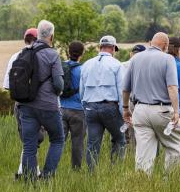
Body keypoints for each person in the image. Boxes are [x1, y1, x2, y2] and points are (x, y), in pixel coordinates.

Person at [122, 32, 180, 173]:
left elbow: (125, 88)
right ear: (165, 46)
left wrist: (125, 108)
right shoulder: (168, 59)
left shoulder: (136, 59)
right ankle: (169, 182)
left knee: (143, 153)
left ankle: (142, 183)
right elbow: (172, 87)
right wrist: (177, 111)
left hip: (140, 110)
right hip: (162, 110)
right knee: (173, 147)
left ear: (151, 43)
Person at [16, 21, 65, 181]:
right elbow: (58, 83)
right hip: (47, 105)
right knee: (57, 139)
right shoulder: (52, 54)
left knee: (29, 144)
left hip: (26, 105)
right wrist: (58, 91)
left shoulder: (25, 51)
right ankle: (47, 176)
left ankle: (29, 180)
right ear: (52, 36)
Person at [80, 35, 127, 171]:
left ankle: (91, 174)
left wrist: (86, 108)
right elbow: (121, 91)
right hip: (109, 107)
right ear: (113, 48)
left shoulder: (87, 64)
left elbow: (81, 91)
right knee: (119, 139)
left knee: (92, 144)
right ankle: (115, 170)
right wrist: (123, 112)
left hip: (90, 107)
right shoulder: (117, 65)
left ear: (100, 47)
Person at [3, 27, 41, 178]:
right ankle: (29, 172)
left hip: (19, 104)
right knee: (33, 141)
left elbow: (6, 85)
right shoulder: (39, 56)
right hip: (37, 104)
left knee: (28, 140)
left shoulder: (15, 57)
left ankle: (23, 170)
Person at [59, 41, 86, 171]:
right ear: (82, 53)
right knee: (77, 142)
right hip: (78, 110)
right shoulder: (83, 69)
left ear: (68, 52)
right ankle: (76, 169)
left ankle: (54, 167)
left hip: (61, 108)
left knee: (58, 141)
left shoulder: (60, 67)